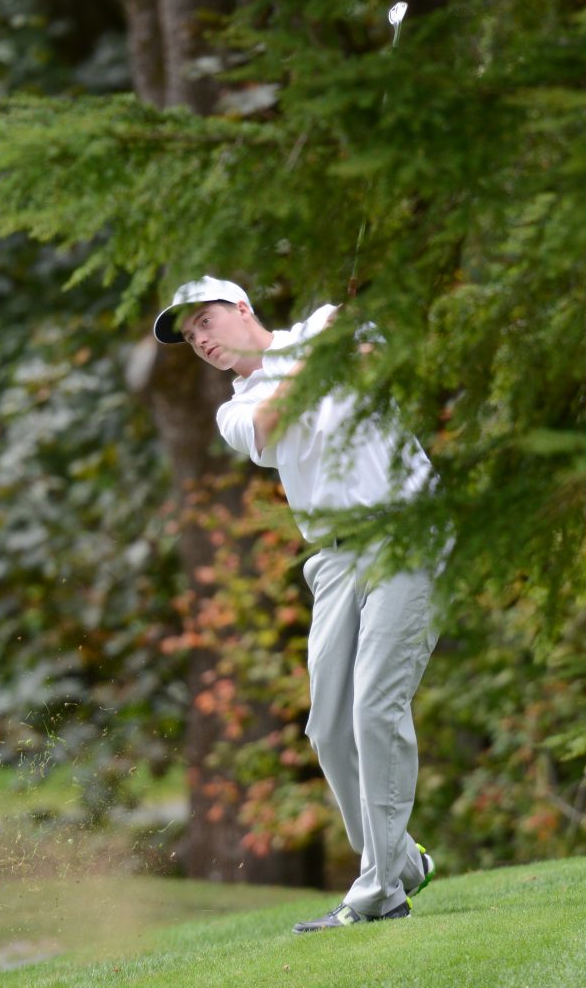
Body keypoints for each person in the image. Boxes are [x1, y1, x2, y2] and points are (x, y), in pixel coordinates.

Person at [154, 275, 438, 932]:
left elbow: (372, 365)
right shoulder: (235, 407)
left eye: (204, 321)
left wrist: (328, 340)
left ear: (241, 307)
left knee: (374, 708)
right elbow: (268, 422)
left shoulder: (325, 331)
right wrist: (317, 350)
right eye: (189, 335)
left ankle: (378, 894)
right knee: (328, 729)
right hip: (334, 557)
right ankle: (401, 863)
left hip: (405, 530)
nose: (198, 339)